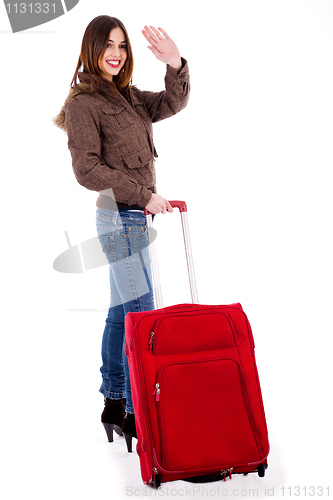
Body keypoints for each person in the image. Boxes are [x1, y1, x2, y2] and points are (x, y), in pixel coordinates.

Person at [54, 15, 190, 452]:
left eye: (122, 45)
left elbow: (171, 103)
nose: (116, 53)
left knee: (122, 313)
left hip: (131, 219)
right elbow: (86, 169)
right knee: (143, 316)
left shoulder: (127, 96)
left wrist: (175, 64)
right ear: (90, 49)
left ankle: (115, 404)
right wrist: (143, 194)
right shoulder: (83, 104)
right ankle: (139, 411)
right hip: (121, 218)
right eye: (107, 45)